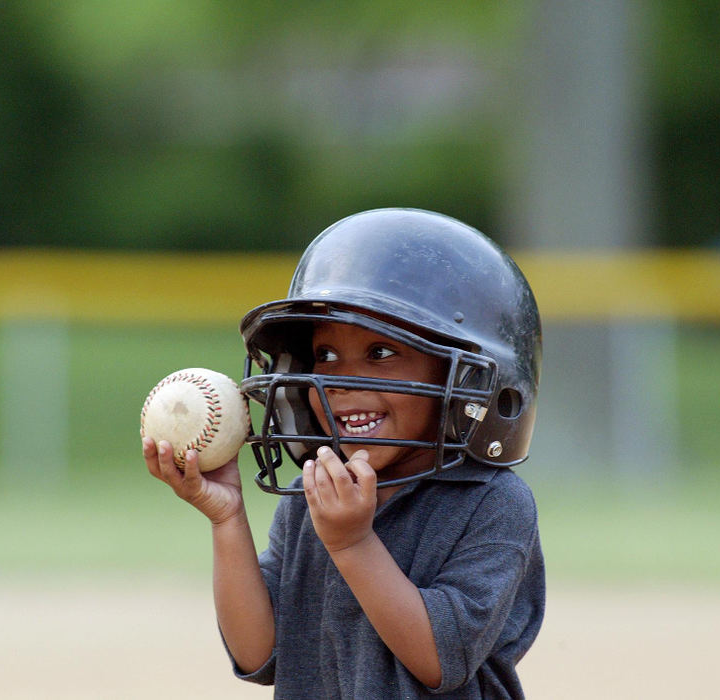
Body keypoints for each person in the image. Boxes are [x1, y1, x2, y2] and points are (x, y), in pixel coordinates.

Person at [143, 208, 545, 699]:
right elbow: (258, 654)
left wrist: (352, 544)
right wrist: (226, 519)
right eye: (325, 356)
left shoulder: (492, 503)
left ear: (463, 381)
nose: (339, 381)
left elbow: (440, 660)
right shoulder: (311, 496)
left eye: (380, 353)